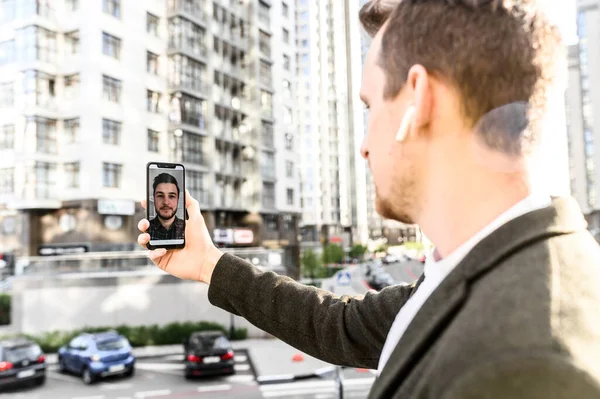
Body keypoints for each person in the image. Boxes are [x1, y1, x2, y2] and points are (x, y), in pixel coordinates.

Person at [138, 1, 600, 397]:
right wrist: (207, 264)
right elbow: (343, 326)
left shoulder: (528, 359)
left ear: (417, 99)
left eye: (370, 106)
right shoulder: (483, 267)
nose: (363, 145)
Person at [147, 172, 184, 241]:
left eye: (171, 196)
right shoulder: (147, 228)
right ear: (154, 198)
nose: (166, 202)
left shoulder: (188, 229)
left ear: (178, 199)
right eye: (160, 196)